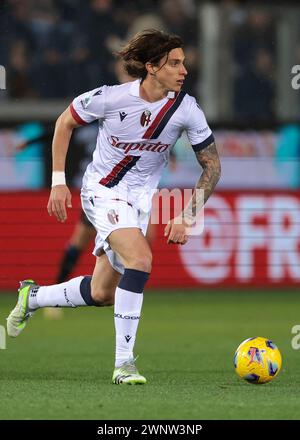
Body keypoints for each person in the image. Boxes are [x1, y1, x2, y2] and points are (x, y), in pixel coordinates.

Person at [7, 29, 221, 385]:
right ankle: (125, 365)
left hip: (139, 201)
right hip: (102, 192)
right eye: (175, 63)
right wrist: (58, 183)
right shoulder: (111, 98)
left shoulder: (186, 109)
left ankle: (33, 296)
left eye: (184, 63)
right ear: (152, 67)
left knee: (102, 293)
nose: (184, 70)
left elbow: (212, 167)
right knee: (141, 259)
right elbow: (64, 122)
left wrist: (187, 215)